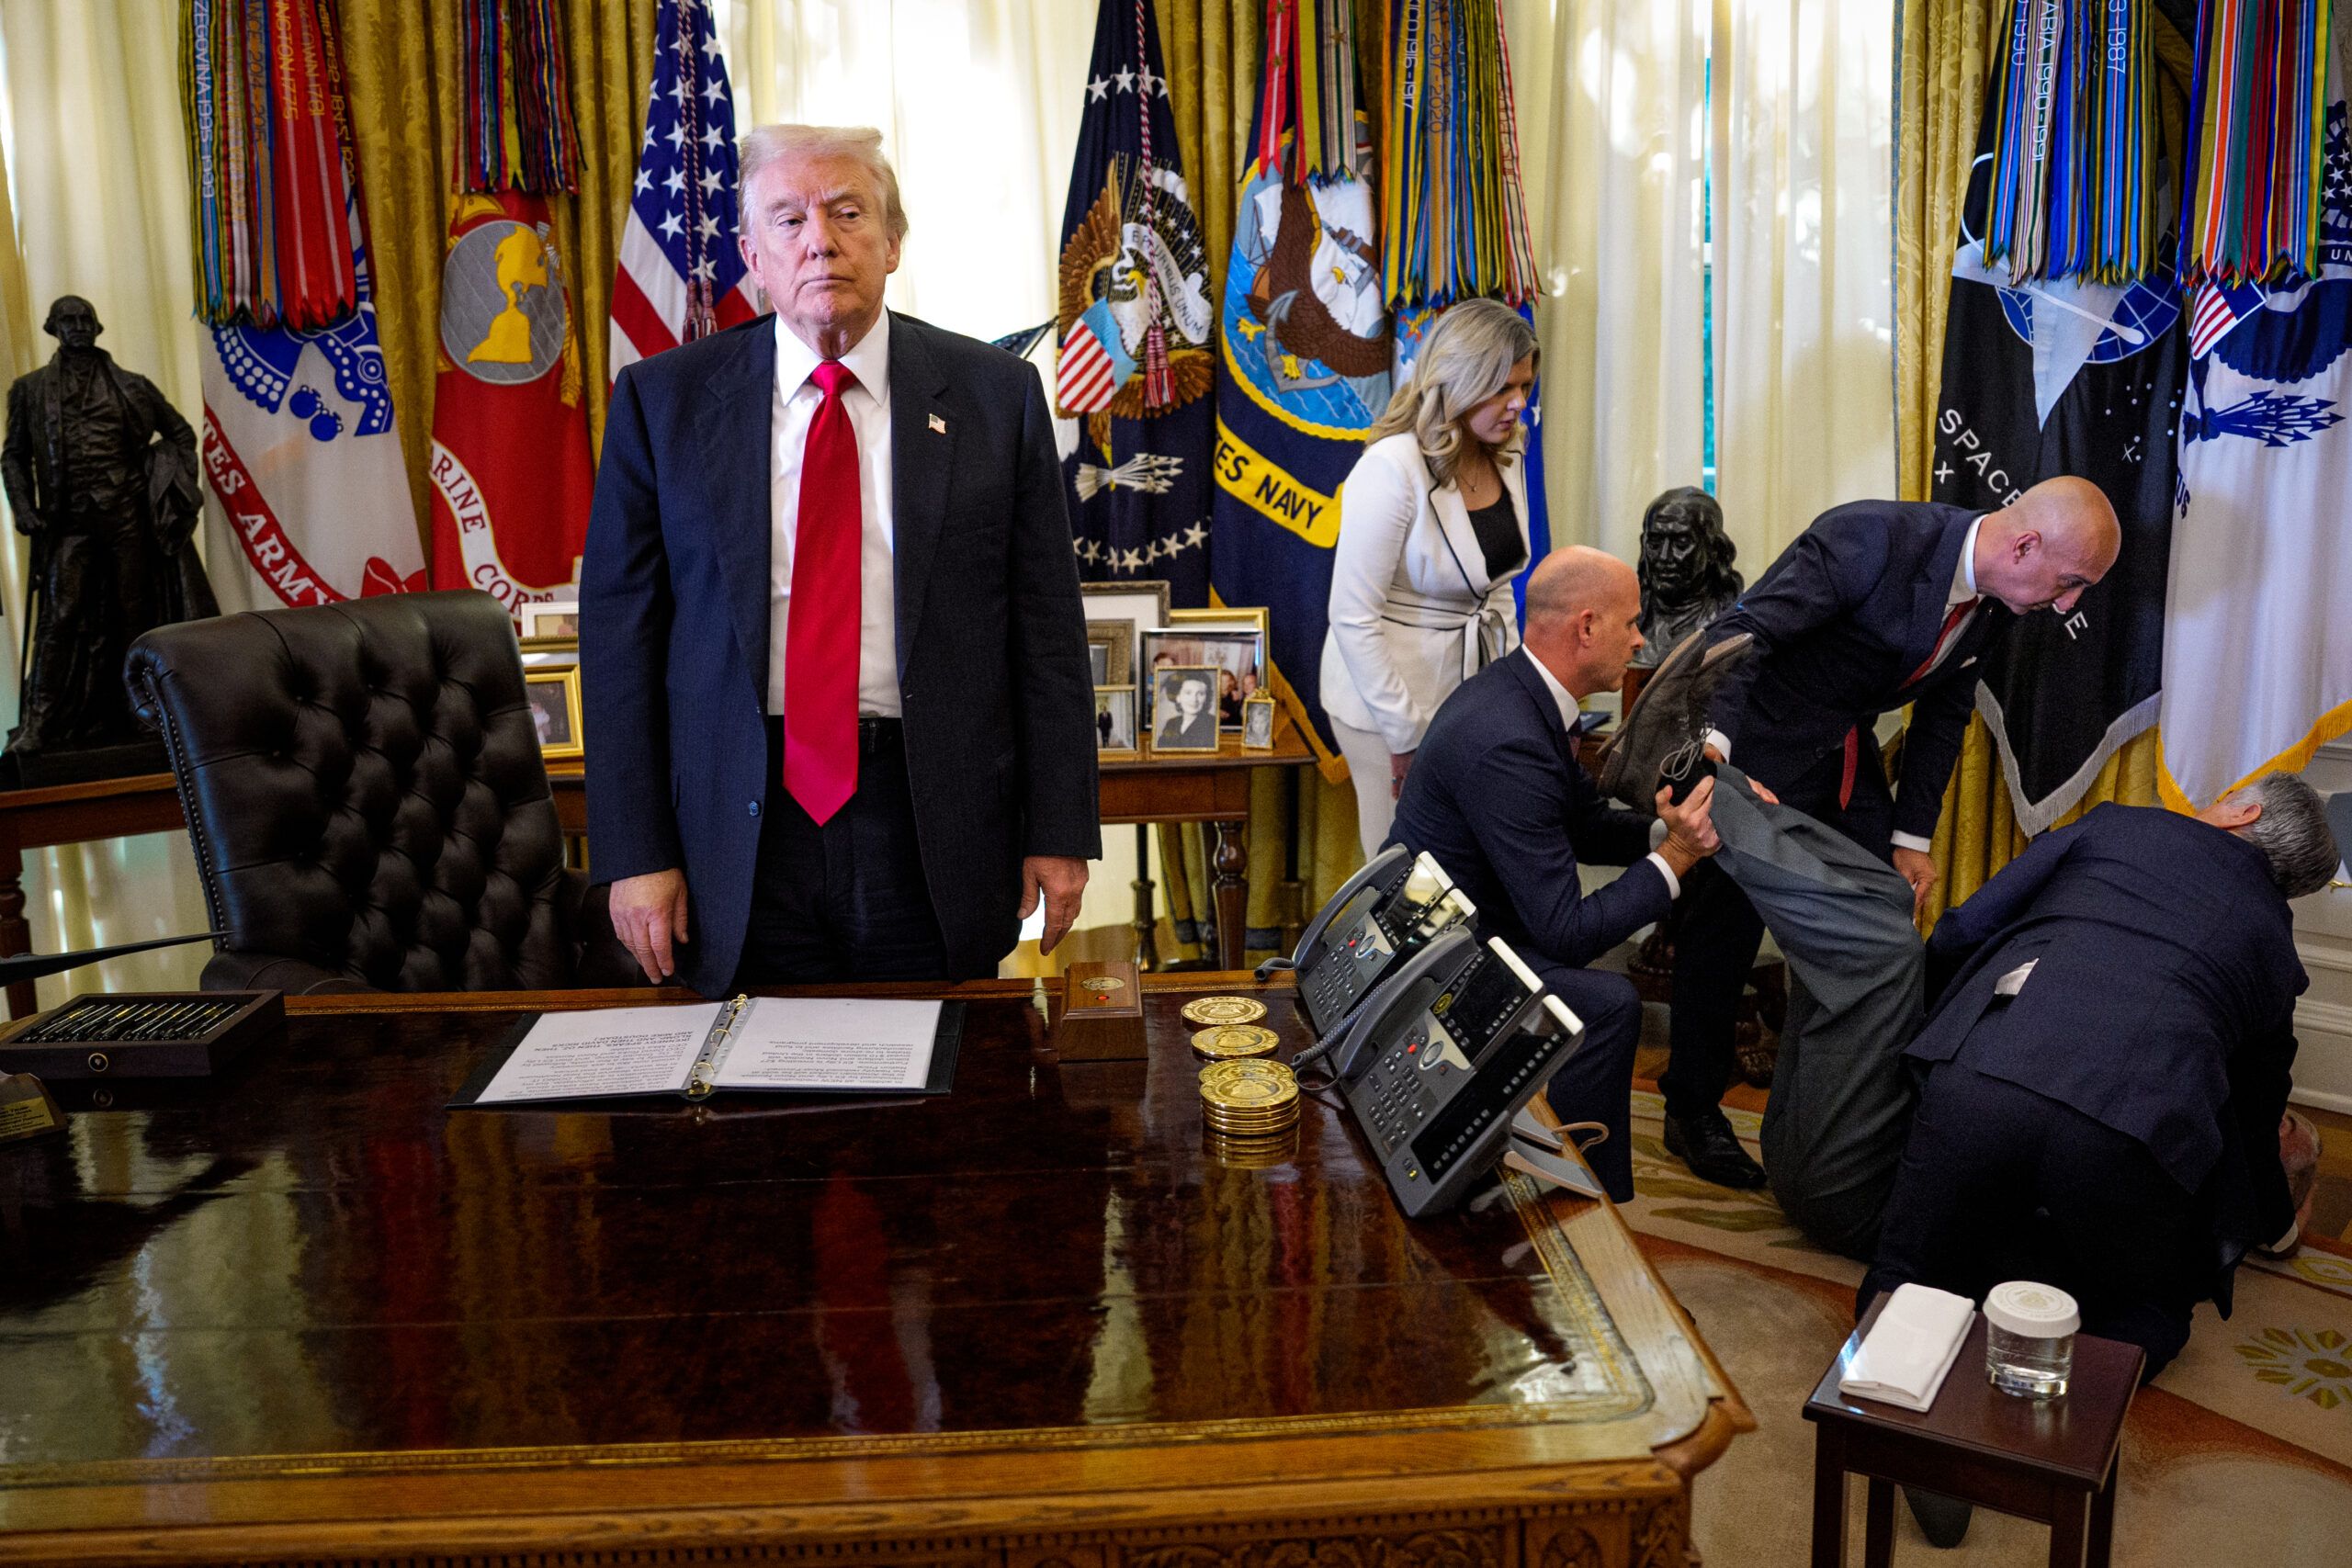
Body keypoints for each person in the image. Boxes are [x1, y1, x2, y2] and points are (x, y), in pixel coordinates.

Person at [582, 124, 1099, 992]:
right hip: (736, 825)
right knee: (750, 1110)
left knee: (945, 1093)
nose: (819, 238)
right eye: (787, 220)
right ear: (752, 252)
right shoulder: (660, 403)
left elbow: (1046, 632)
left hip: (930, 817)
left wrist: (1058, 825)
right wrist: (634, 851)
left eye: (847, 211)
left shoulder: (994, 398)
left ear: (893, 242)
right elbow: (621, 642)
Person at [1642, 478, 2121, 1188]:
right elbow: (1742, 636)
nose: (2071, 602)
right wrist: (1716, 757)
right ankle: (1692, 1109)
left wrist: (1912, 838)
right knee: (1725, 930)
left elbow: (1945, 708)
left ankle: (1828, 1118)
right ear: (2025, 545)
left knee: (1876, 925)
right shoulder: (1868, 539)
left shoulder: (2000, 600)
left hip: (1841, 752)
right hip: (1755, 742)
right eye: (2071, 581)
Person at [1863, 775, 2335, 1377]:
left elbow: (1959, 931)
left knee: (1905, 1277)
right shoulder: (2277, 951)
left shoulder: (2117, 824)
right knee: (2153, 1309)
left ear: (2243, 811)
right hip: (2128, 1139)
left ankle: (1884, 1398)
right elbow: (2252, 1115)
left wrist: (1929, 1041)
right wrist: (2274, 1221)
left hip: (1982, 1083)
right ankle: (2059, 1423)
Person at [1385, 547, 1722, 1202]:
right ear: (1587, 627)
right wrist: (1677, 857)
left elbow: (1583, 821)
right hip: (1434, 962)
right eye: (1630, 623)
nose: (1640, 638)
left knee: (1600, 995)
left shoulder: (1520, 695)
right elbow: (1566, 931)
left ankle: (1574, 1179)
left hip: (1469, 924)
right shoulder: (1509, 734)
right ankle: (1586, 1204)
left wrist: (1663, 829)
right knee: (1605, 1005)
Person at [1324, 299, 1538, 859]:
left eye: (1525, 386)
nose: (1519, 404)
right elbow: (1352, 616)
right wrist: (1405, 734)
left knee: (1469, 862)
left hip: (1470, 696)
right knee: (1402, 868)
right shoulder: (1391, 467)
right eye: (1504, 388)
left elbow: (1498, 589)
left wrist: (1521, 694)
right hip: (1383, 703)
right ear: (1461, 380)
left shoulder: (1506, 452)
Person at [2, 296, 218, 758]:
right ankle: (39, 722)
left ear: (97, 328)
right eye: (69, 320)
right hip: (68, 522)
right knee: (59, 617)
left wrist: (167, 483)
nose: (78, 327)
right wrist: (22, 507)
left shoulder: (133, 387)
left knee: (134, 614)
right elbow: (14, 456)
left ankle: (139, 713)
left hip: (126, 517)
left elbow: (181, 434)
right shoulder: (30, 389)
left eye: (85, 320)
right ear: (52, 327)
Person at [1155, 673, 1217, 749]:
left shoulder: (1212, 724)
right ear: (1178, 697)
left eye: (1200, 694)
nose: (1194, 700)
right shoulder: (1172, 723)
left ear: (1206, 698)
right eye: (1188, 693)